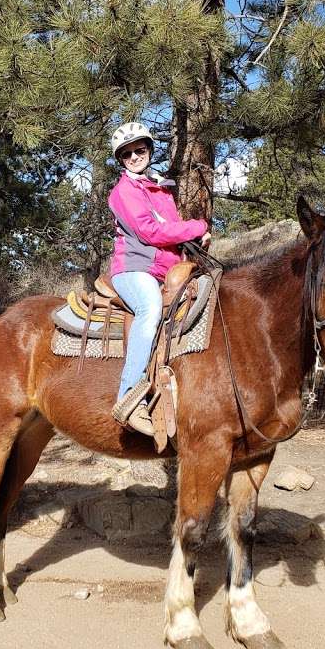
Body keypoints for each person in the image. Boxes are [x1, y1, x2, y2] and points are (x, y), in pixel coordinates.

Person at [107, 122, 210, 436]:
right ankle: (129, 397)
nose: (135, 156)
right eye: (127, 153)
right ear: (121, 159)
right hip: (133, 269)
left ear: (149, 150)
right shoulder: (123, 191)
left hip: (165, 269)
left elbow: (169, 229)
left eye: (140, 149)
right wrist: (197, 227)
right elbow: (148, 232)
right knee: (150, 309)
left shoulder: (160, 188)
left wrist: (190, 241)